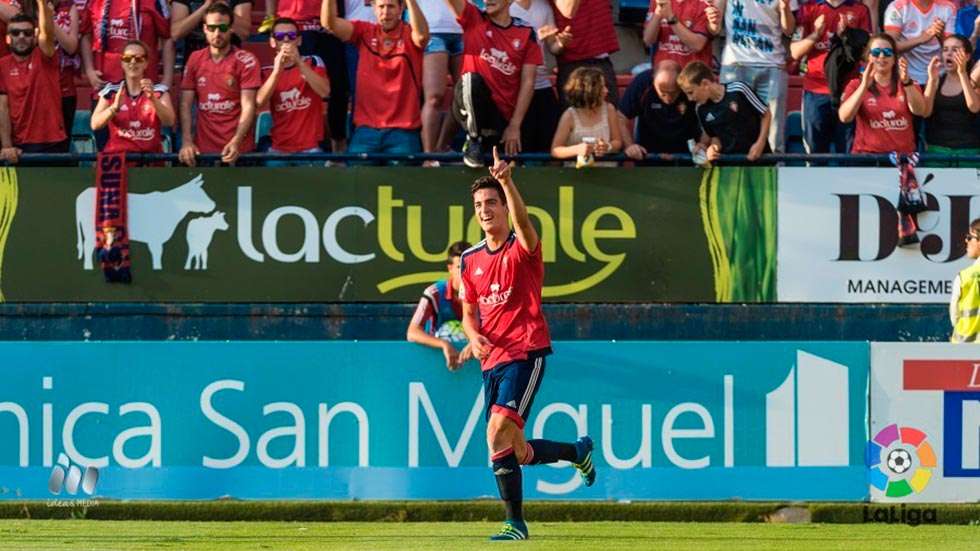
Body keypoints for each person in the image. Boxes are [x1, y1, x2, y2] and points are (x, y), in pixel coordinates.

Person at [460, 147, 596, 541]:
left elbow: (524, 225)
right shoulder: (469, 260)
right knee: (515, 450)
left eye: (491, 203)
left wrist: (506, 180)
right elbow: (469, 312)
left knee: (496, 433)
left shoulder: (522, 249)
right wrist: (472, 335)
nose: (485, 210)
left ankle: (515, 523)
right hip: (492, 360)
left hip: (526, 350)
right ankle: (577, 453)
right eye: (478, 204)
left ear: (504, 207)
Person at [322, 0, 428, 158]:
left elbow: (422, 36)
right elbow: (329, 24)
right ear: (373, 9)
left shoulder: (409, 34)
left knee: (402, 183)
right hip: (366, 131)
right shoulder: (364, 31)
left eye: (391, 6)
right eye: (381, 7)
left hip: (402, 133)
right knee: (358, 181)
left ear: (401, 9)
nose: (386, 12)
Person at [443, 0, 542, 167]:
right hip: (468, 105)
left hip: (501, 116)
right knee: (470, 79)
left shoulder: (526, 32)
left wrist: (515, 125)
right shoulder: (474, 18)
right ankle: (473, 140)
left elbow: (528, 81)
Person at [178, 3, 261, 166]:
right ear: (204, 29)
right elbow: (185, 104)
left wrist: (236, 142)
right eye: (212, 28)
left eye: (222, 27)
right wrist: (187, 141)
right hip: (203, 151)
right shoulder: (195, 58)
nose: (217, 33)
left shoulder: (246, 60)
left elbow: (249, 106)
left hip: (238, 151)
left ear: (231, 28)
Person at [267, 0, 349, 153]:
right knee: (296, 86)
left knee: (337, 90)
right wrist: (270, 16)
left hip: (324, 26)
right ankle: (289, 146)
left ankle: (338, 151)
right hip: (293, 25)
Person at [791, 0, 872, 154]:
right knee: (815, 154)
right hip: (815, 91)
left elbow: (867, 54)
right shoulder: (809, 8)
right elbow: (795, 52)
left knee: (848, 154)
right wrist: (816, 34)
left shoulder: (859, 9)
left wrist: (848, 36)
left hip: (849, 91)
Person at [717, 0, 797, 153]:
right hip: (736, 63)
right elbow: (714, 27)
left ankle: (775, 169)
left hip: (772, 63)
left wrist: (784, 6)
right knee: (733, 124)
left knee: (774, 127)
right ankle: (732, 168)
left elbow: (789, 30)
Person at [0, 2, 69, 164]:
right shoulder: (2, 66)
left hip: (53, 142)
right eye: (15, 33)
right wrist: (7, 145)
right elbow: (2, 107)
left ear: (34, 36)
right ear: (8, 39)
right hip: (20, 146)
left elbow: (47, 34)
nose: (21, 37)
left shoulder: (46, 57)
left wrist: (43, 4)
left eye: (27, 33)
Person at [838, 33, 928, 154]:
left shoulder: (908, 83)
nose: (882, 56)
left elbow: (920, 110)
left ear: (894, 58)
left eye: (887, 52)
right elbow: (845, 117)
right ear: (868, 57)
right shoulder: (855, 85)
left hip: (902, 158)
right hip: (866, 156)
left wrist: (907, 82)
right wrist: (864, 86)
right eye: (876, 52)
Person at [256, 17, 329, 163]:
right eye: (280, 37)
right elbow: (258, 102)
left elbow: (325, 92)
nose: (287, 40)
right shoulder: (266, 71)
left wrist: (299, 63)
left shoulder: (313, 61)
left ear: (299, 40)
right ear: (272, 42)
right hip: (278, 148)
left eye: (292, 36)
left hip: (311, 148)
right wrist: (277, 71)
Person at [90, 40, 175, 155]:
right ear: (122, 63)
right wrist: (114, 108)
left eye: (139, 59)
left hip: (150, 159)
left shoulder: (159, 91)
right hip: (118, 158)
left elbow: (169, 121)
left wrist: (153, 100)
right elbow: (95, 124)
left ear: (146, 63)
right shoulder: (111, 91)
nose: (133, 62)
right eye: (127, 58)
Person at [678, 60, 772, 162]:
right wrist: (713, 148)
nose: (689, 99)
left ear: (705, 83)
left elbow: (766, 114)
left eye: (691, 92)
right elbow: (715, 137)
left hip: (760, 160)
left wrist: (760, 143)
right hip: (731, 164)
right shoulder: (702, 110)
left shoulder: (738, 90)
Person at [510, 0, 570, 154]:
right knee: (519, 143)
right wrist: (535, 37)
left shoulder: (544, 7)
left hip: (541, 82)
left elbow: (553, 46)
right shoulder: (506, 7)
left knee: (549, 137)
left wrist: (561, 43)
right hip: (515, 86)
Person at [406, 240, 473, 370]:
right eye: (460, 267)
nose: (465, 272)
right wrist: (444, 344)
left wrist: (475, 341)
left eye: (469, 266)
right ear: (450, 268)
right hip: (433, 361)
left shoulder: (484, 294)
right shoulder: (434, 293)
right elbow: (412, 332)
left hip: (473, 363)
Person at [79, 0, 174, 91]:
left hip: (144, 85)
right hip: (105, 86)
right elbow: (86, 35)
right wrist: (89, 70)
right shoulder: (95, 1)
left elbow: (167, 37)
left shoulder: (154, 1)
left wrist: (167, 81)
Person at [619, 59, 701, 159]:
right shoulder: (642, 83)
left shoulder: (691, 85)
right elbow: (621, 117)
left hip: (687, 152)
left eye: (673, 92)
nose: (668, 98)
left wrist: (702, 144)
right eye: (663, 92)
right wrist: (630, 146)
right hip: (648, 152)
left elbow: (709, 116)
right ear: (653, 80)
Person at [550, 0, 620, 107]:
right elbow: (568, 11)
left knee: (608, 117)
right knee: (575, 118)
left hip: (602, 59)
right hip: (573, 63)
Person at [418, 0, 463, 162]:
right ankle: (429, 157)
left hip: (465, 26)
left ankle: (443, 147)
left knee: (464, 98)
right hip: (431, 28)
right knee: (434, 97)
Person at [550, 66, 622, 166]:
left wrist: (607, 147)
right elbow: (555, 150)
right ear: (588, 91)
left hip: (606, 171)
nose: (606, 91)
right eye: (601, 87)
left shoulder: (609, 109)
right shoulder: (569, 116)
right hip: (576, 174)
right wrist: (576, 150)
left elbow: (617, 141)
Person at [923, 35, 980, 156]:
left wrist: (963, 73)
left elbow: (974, 107)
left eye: (955, 50)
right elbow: (925, 112)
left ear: (968, 56)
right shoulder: (936, 79)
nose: (949, 54)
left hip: (968, 150)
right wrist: (932, 81)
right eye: (945, 49)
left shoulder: (974, 81)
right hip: (937, 149)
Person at [884, 0, 957, 85]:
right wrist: (921, 39)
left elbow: (951, 48)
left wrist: (940, 35)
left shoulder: (948, 7)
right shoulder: (897, 6)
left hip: (940, 73)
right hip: (907, 75)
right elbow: (889, 46)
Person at [643, 0, 719, 70]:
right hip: (663, 71)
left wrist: (670, 17)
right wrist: (658, 12)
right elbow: (648, 40)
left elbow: (697, 45)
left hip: (693, 75)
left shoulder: (704, 3)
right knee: (639, 82)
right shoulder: (657, 1)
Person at [171, 0, 252, 62]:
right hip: (196, 61)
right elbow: (176, 33)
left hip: (231, 61)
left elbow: (244, 33)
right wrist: (205, 7)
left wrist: (222, 6)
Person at [53, 0, 80, 147]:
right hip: (36, 88)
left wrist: (50, 20)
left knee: (63, 143)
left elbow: (71, 46)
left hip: (64, 89)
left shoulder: (69, 7)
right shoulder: (27, 7)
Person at [950, 217, 980, 343]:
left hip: (965, 353)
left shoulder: (964, 277)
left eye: (969, 237)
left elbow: (954, 316)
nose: (966, 241)